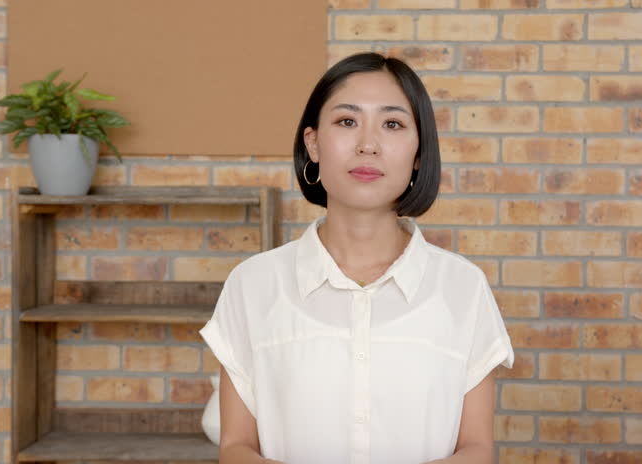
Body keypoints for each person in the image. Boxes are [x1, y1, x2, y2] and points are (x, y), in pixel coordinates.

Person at [199, 52, 514, 464]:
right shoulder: (253, 284)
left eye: (393, 124)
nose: (368, 144)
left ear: (419, 153)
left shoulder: (462, 288)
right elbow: (236, 448)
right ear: (313, 143)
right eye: (347, 121)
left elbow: (476, 449)